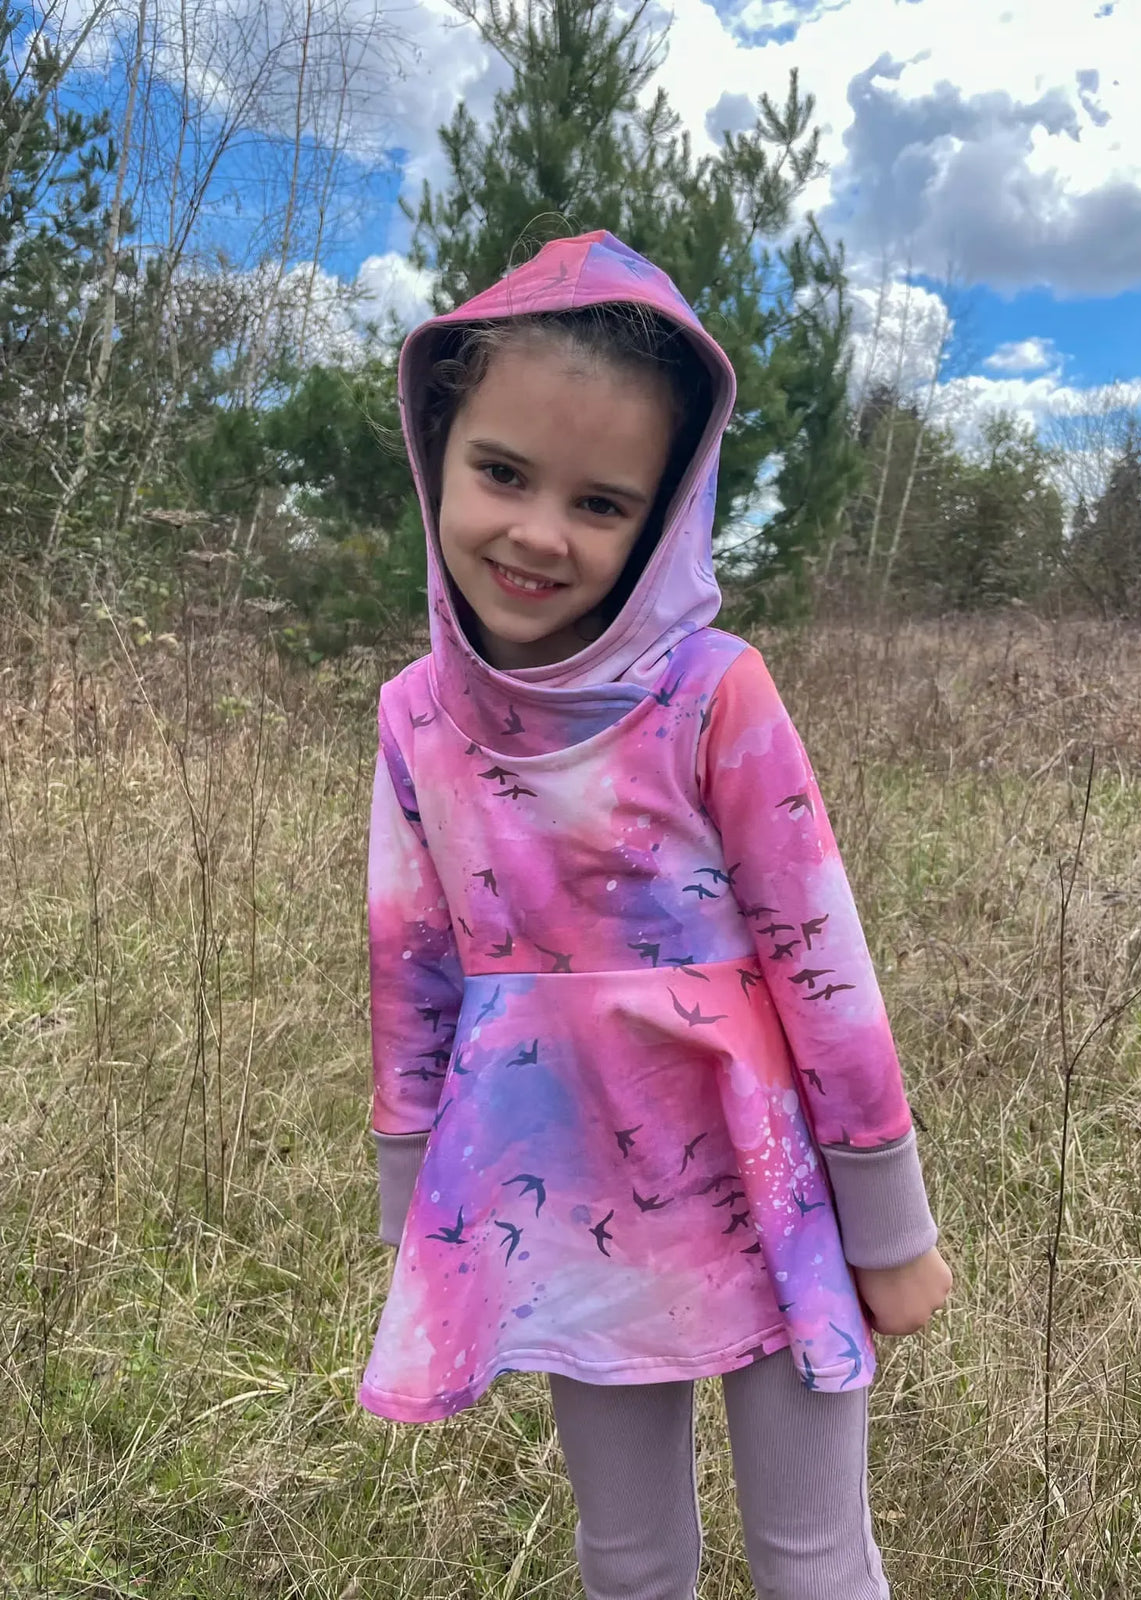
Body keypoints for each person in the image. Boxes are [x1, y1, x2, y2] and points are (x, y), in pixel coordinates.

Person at [357, 230, 952, 1600]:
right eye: (503, 472)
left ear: (666, 514)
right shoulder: (415, 717)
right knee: (625, 1558)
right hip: (556, 1182)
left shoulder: (714, 692)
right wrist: (418, 1200)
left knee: (813, 1558)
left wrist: (892, 1227)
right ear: (435, 445)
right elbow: (415, 966)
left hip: (761, 1176)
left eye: (603, 501)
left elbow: (824, 962)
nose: (539, 532)